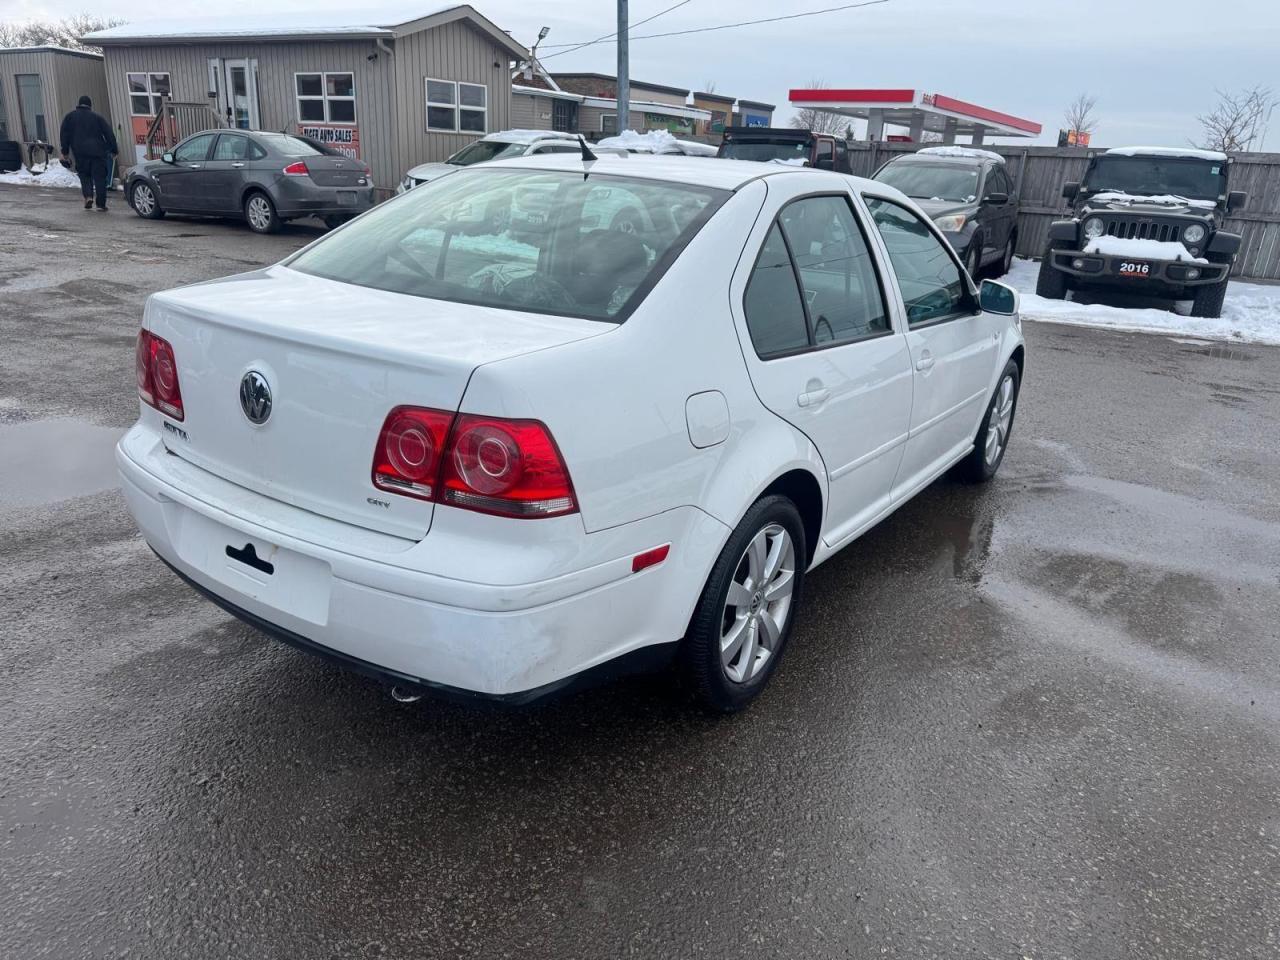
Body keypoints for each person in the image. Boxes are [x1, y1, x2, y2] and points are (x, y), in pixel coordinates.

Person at [59, 95, 118, 212]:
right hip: (98, 153)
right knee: (100, 178)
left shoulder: (69, 117)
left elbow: (64, 135)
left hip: (80, 152)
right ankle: (101, 204)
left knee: (85, 176)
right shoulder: (97, 117)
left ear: (79, 104)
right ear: (90, 105)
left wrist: (65, 152)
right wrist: (113, 149)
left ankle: (88, 197)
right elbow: (108, 133)